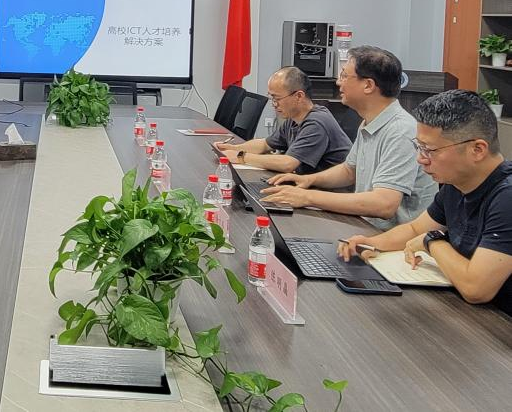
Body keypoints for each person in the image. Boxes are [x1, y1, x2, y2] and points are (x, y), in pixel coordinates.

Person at [339, 90, 512, 315]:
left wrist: (432, 241)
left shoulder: (506, 196)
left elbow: (476, 289)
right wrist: (372, 243)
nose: (421, 159)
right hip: (468, 311)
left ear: (477, 149)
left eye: (429, 150)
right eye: (419, 147)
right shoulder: (456, 184)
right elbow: (415, 229)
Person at [261, 46, 437, 230]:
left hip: (393, 239)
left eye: (344, 76)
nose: (339, 82)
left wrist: (308, 197)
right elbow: (349, 170)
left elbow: (384, 204)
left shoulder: (400, 131)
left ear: (368, 85)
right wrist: (309, 180)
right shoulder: (370, 121)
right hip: (366, 226)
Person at [216, 66, 350, 174]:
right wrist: (233, 148)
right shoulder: (294, 119)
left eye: (277, 98)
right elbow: (265, 144)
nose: (274, 104)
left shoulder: (316, 123)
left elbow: (288, 163)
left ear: (299, 96)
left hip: (330, 193)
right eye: (272, 98)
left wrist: (241, 156)